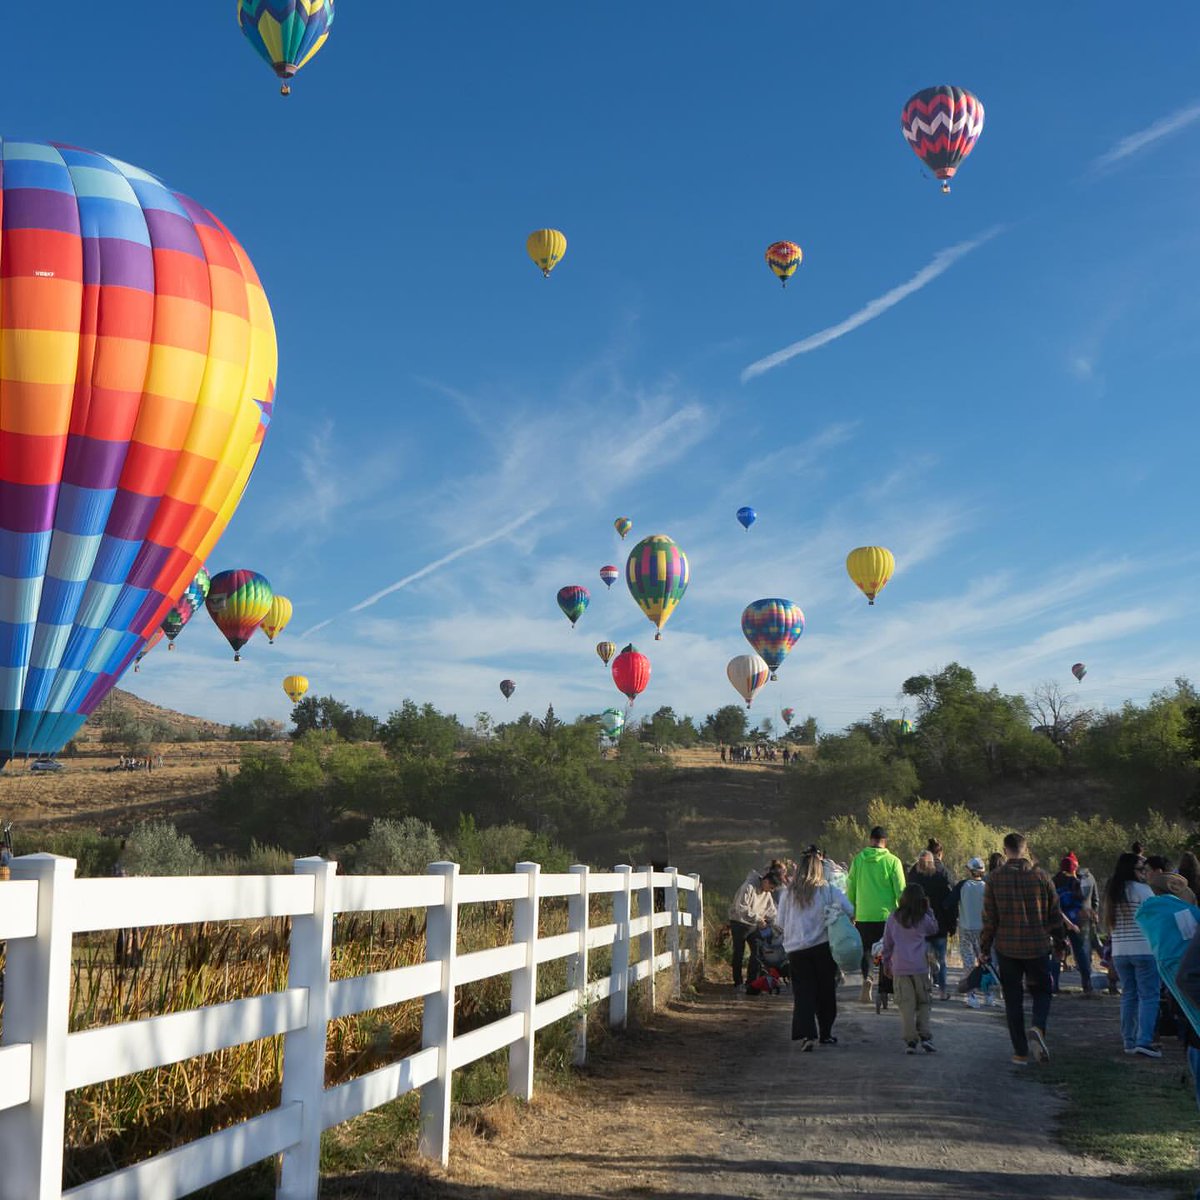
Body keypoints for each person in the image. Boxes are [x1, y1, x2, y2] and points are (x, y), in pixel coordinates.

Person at [980, 832, 1061, 1066]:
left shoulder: (994, 878)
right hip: (1037, 946)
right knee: (1042, 991)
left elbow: (989, 920)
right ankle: (1038, 1027)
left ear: (1005, 851)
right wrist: (1060, 942)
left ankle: (1020, 1052)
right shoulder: (1042, 876)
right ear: (1025, 850)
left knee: (1013, 999)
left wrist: (985, 948)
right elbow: (1054, 914)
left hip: (1007, 948)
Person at [777, 849, 854, 1050]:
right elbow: (850, 909)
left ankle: (808, 1035)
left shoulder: (788, 893)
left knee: (804, 993)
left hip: (796, 950)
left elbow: (780, 922)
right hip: (822, 947)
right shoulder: (828, 890)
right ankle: (826, 1033)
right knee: (825, 991)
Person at [1103, 852, 1161, 1057]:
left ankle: (1128, 1041)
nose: (1144, 872)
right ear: (1131, 870)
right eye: (1141, 869)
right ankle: (1144, 1040)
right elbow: (1155, 918)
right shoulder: (1143, 890)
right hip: (1143, 949)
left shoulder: (1113, 892)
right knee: (1149, 995)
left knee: (1129, 995)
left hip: (1120, 952)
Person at [846, 826, 906, 1005]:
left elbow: (851, 886)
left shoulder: (858, 860)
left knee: (866, 951)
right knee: (887, 952)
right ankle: (885, 988)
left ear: (870, 839)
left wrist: (852, 910)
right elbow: (901, 889)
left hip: (864, 914)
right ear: (885, 841)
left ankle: (867, 977)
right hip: (887, 916)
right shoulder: (893, 861)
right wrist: (903, 910)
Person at [882, 883, 939, 1054]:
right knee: (924, 1002)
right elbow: (934, 928)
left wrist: (886, 962)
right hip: (920, 967)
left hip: (899, 967)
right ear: (922, 901)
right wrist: (929, 910)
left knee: (906, 1005)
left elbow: (887, 943)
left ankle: (910, 1040)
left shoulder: (893, 917)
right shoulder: (923, 918)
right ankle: (925, 1036)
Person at [728, 865, 781, 993]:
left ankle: (751, 982)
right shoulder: (748, 887)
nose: (771, 891)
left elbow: (772, 911)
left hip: (753, 925)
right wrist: (758, 919)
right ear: (766, 881)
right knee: (739, 953)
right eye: (771, 887)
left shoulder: (766, 893)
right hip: (739, 923)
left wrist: (778, 925)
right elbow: (742, 909)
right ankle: (738, 982)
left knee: (757, 952)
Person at [909, 850, 953, 999]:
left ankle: (924, 990)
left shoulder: (914, 877)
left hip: (919, 924)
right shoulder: (941, 876)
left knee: (921, 961)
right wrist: (951, 924)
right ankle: (942, 991)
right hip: (939, 924)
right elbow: (949, 902)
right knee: (941, 960)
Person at [1051, 854, 1093, 994]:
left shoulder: (1053, 881)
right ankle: (1087, 985)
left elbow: (1053, 904)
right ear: (1073, 868)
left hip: (1057, 921)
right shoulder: (1076, 882)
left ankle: (1054, 985)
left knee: (1057, 952)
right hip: (1075, 921)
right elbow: (1081, 903)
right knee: (1080, 952)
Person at [948, 857, 988, 1000]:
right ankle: (988, 995)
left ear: (970, 870)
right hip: (983, 930)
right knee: (984, 962)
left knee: (968, 962)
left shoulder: (963, 885)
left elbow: (948, 903)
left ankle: (971, 995)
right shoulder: (987, 886)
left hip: (965, 928)